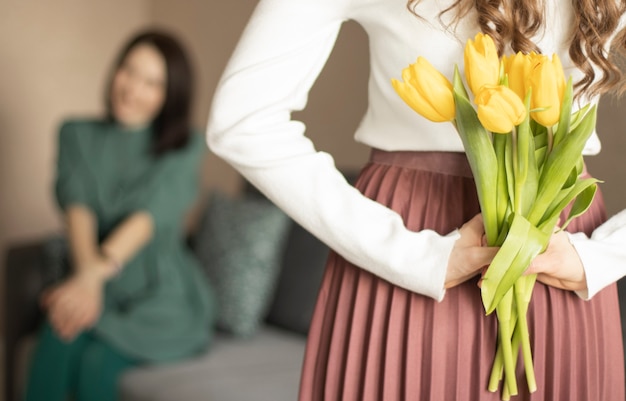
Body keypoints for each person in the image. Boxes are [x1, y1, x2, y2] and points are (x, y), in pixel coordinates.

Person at [206, 0, 626, 400]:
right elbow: (243, 123)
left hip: (550, 255)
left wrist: (602, 258)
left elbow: (241, 122)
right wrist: (416, 256)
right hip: (424, 255)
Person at [23, 30, 215, 401]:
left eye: (152, 83)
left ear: (169, 95)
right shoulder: (76, 133)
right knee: (56, 336)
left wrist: (89, 280)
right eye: (128, 71)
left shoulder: (185, 145)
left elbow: (147, 218)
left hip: (163, 296)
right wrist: (85, 282)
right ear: (115, 71)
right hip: (97, 280)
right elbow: (78, 209)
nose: (132, 89)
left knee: (97, 362)